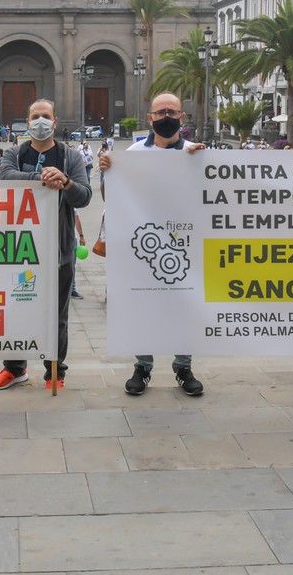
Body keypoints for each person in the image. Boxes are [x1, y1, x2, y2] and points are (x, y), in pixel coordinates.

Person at [99, 93, 207, 397]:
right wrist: (107, 171)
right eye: (160, 112)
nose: (166, 117)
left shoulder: (194, 152)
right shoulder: (132, 153)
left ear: (182, 117)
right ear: (150, 118)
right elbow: (113, 197)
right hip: (144, 245)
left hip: (185, 244)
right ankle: (142, 366)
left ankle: (183, 366)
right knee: (143, 303)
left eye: (172, 111)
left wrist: (206, 163)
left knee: (184, 304)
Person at [0, 99, 91, 391]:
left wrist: (67, 182)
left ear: (55, 122)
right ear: (27, 121)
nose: (41, 121)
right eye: (36, 116)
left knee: (57, 314)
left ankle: (55, 371)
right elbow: (6, 178)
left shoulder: (70, 157)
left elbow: (84, 196)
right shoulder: (15, 154)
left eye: (46, 116)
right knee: (15, 309)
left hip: (59, 250)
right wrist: (45, 178)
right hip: (19, 250)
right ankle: (14, 368)